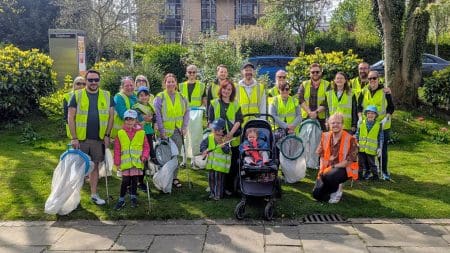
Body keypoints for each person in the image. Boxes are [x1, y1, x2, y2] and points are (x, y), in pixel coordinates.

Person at [68, 69, 115, 205]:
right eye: (90, 80)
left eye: (96, 80)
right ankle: (74, 198)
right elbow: (71, 116)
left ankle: (94, 194)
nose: (93, 82)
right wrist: (74, 137)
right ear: (86, 80)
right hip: (81, 139)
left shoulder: (107, 95)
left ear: (99, 81)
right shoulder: (77, 95)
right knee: (78, 169)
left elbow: (111, 116)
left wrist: (107, 135)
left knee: (94, 167)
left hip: (98, 139)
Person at [313, 113, 359, 204]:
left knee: (331, 175)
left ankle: (338, 190)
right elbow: (321, 155)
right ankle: (330, 189)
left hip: (345, 168)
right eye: (333, 123)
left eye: (338, 123)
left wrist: (332, 167)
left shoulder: (351, 139)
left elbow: (349, 161)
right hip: (328, 170)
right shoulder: (324, 136)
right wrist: (321, 171)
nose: (335, 125)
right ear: (329, 125)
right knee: (317, 195)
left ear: (343, 125)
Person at [154, 73, 189, 188]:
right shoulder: (160, 97)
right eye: (168, 82)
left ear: (176, 83)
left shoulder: (182, 97)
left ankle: (174, 177)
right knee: (164, 155)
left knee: (175, 155)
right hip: (164, 132)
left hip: (177, 131)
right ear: (164, 84)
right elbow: (158, 115)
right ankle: (164, 178)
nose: (170, 84)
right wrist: (162, 130)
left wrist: (184, 127)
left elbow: (187, 112)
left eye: (172, 81)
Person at [208, 79, 243, 195]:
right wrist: (217, 135)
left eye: (229, 89)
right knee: (219, 165)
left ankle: (229, 188)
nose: (226, 91)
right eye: (224, 88)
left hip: (233, 139)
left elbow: (239, 120)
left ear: (232, 91)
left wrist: (230, 134)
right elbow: (210, 121)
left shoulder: (236, 104)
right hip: (219, 139)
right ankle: (218, 187)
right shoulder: (214, 103)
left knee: (232, 165)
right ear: (221, 89)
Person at [358, 70, 394, 180]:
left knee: (381, 150)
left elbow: (391, 107)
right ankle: (369, 171)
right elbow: (359, 106)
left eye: (374, 78)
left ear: (378, 79)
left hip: (382, 126)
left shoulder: (385, 91)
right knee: (367, 149)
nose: (372, 80)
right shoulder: (364, 91)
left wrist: (387, 117)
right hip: (366, 126)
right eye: (370, 78)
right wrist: (360, 117)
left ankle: (384, 172)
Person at [113, 109, 150, 210]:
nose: (129, 121)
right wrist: (117, 161)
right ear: (124, 120)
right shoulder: (120, 133)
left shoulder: (141, 133)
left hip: (137, 162)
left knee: (135, 180)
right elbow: (117, 148)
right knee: (125, 181)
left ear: (136, 120)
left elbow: (146, 147)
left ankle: (133, 197)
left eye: (132, 119)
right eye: (127, 119)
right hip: (125, 163)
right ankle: (121, 199)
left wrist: (144, 156)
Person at [200, 118, 231, 200]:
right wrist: (204, 151)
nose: (215, 131)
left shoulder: (226, 140)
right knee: (211, 179)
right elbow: (203, 145)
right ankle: (212, 193)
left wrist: (222, 144)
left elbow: (227, 151)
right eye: (214, 129)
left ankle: (218, 195)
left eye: (217, 129)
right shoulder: (209, 137)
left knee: (219, 181)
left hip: (220, 167)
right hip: (211, 165)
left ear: (223, 130)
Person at [132, 86, 156, 191]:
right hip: (140, 134)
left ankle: (143, 177)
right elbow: (137, 119)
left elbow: (153, 118)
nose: (144, 97)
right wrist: (145, 118)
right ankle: (139, 181)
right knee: (142, 156)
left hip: (149, 133)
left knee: (148, 155)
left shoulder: (151, 107)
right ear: (138, 97)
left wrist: (152, 119)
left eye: (146, 95)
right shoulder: (136, 107)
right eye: (141, 95)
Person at [297, 63, 330, 130]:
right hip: (306, 116)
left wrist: (316, 112)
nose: (315, 73)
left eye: (317, 72)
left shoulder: (327, 84)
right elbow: (300, 99)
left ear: (321, 72)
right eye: (313, 72)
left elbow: (327, 101)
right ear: (310, 73)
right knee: (305, 138)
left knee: (321, 139)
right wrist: (309, 112)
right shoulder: (304, 84)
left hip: (321, 118)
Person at [356, 105, 384, 180]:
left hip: (371, 149)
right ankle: (359, 175)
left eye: (372, 113)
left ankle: (375, 176)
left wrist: (379, 148)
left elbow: (380, 137)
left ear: (376, 115)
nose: (370, 115)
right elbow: (357, 134)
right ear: (366, 114)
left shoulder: (379, 125)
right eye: (368, 113)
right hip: (361, 147)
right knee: (360, 163)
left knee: (372, 163)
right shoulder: (361, 123)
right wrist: (356, 142)